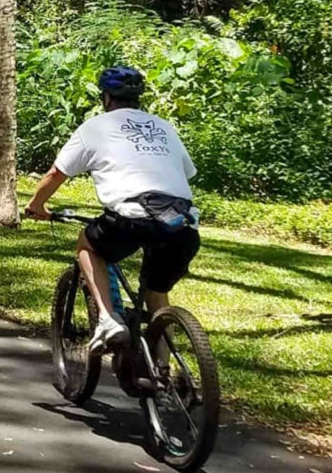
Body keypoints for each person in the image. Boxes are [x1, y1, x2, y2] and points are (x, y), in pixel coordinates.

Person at [25, 66, 200, 355]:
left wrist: (36, 205)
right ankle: (165, 372)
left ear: (106, 98)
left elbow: (56, 174)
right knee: (157, 294)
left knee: (87, 245)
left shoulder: (95, 127)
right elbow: (186, 172)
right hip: (182, 222)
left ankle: (108, 320)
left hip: (131, 217)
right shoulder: (164, 127)